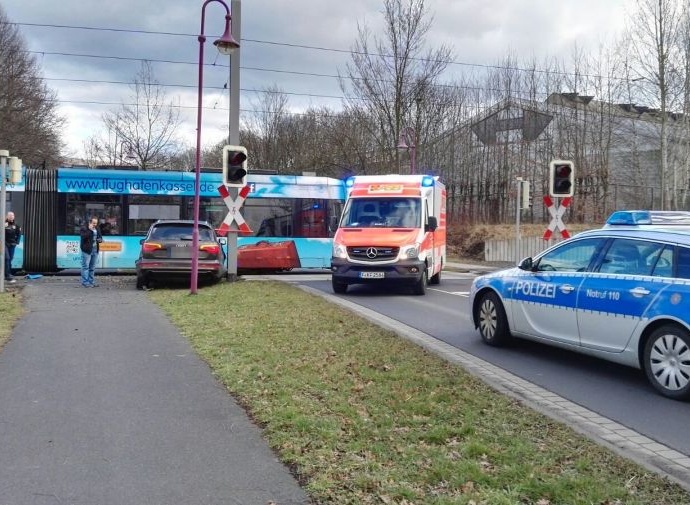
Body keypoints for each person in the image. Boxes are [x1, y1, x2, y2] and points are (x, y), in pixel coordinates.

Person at [79, 216, 103, 288]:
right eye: (93, 223)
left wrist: (100, 240)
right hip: (87, 250)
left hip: (95, 250)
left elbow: (100, 237)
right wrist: (90, 230)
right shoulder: (84, 228)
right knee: (85, 267)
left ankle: (91, 282)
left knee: (92, 267)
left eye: (96, 223)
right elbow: (83, 237)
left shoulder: (97, 228)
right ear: (90, 222)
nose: (95, 224)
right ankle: (85, 283)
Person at [4, 211, 21, 284]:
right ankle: (7, 275)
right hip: (5, 244)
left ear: (14, 217)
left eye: (12, 215)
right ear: (7, 216)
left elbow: (19, 234)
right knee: (7, 258)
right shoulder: (3, 224)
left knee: (10, 258)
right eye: (10, 215)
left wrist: (16, 243)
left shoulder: (16, 225)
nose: (11, 217)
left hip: (12, 244)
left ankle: (8, 273)